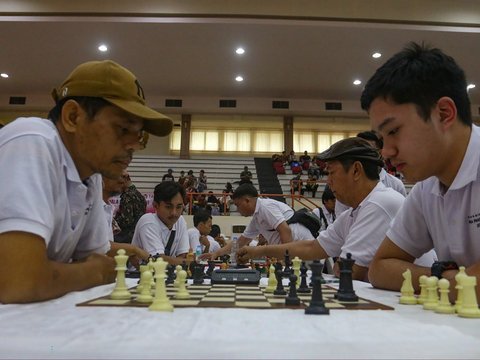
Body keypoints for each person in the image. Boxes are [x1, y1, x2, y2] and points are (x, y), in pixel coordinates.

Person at [0, 60, 172, 303]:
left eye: (139, 135)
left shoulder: (90, 176)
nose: (134, 146)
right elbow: (18, 281)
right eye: (123, 129)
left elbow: (97, 262)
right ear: (73, 117)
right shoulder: (32, 142)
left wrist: (87, 271)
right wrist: (89, 273)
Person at [361, 42, 480, 297]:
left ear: (444, 113)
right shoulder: (427, 188)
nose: (386, 152)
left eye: (394, 131)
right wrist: (444, 279)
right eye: (382, 138)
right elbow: (379, 269)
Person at [237, 137, 406, 281]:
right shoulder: (353, 213)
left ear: (356, 170)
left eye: (331, 173)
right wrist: (258, 251)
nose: (328, 181)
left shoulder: (378, 203)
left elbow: (347, 271)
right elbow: (312, 248)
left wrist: (260, 250)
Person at [200, 183, 314, 261]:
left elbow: (285, 231)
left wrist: (285, 261)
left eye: (238, 205)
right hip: (295, 252)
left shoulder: (265, 207)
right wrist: (217, 253)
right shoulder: (256, 218)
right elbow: (240, 241)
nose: (237, 209)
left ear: (247, 201)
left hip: (304, 250)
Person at [132, 182, 189, 265]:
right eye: (168, 207)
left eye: (179, 207)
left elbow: (183, 255)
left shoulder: (180, 221)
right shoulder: (148, 222)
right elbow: (158, 261)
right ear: (155, 205)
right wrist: (186, 262)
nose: (174, 213)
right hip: (140, 275)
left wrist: (181, 261)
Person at [113, 170, 147, 244]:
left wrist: (114, 221)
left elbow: (127, 220)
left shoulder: (127, 195)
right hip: (138, 235)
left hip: (127, 237)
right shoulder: (139, 194)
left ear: (125, 180)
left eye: (119, 182)